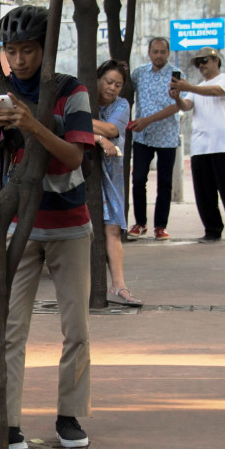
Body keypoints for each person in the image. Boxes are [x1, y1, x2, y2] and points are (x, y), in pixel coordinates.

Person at [0, 4, 96, 449]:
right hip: (21, 226)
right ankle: (9, 424)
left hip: (70, 224)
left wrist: (33, 123)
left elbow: (74, 158)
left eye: (29, 50)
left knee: (74, 327)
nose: (20, 61)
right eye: (12, 51)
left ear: (45, 48)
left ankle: (69, 414)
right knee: (11, 328)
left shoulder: (70, 92)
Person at [170, 47, 225, 244]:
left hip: (222, 145)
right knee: (204, 193)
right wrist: (177, 97)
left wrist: (188, 87)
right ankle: (212, 230)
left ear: (216, 61)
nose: (201, 65)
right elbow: (186, 106)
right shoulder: (197, 87)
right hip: (201, 146)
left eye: (204, 61)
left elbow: (216, 91)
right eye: (198, 62)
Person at [93, 60, 142, 306]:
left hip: (111, 174)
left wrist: (91, 130)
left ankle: (119, 286)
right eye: (108, 82)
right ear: (98, 79)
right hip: (86, 173)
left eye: (118, 84)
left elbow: (113, 129)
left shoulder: (122, 105)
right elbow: (66, 123)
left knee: (112, 228)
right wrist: (99, 136)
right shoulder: (83, 99)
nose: (112, 88)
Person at [128, 37, 184, 240]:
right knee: (139, 179)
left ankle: (160, 226)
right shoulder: (139, 73)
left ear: (168, 53)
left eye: (162, 52)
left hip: (167, 137)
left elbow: (177, 105)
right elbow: (126, 93)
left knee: (164, 183)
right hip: (142, 136)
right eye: (155, 51)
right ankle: (140, 222)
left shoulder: (176, 75)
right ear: (149, 53)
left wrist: (148, 120)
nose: (159, 55)